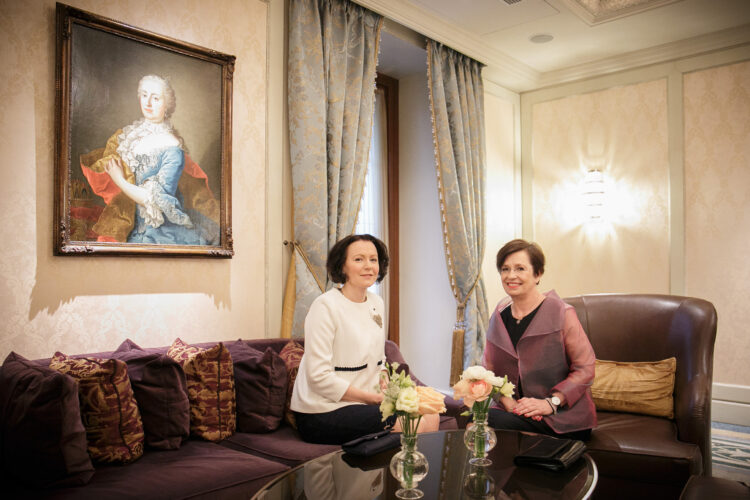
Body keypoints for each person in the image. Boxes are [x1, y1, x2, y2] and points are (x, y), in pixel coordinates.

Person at [291, 234, 439, 445]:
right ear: (342, 266)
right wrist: (373, 399)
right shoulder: (325, 306)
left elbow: (379, 360)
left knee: (430, 412)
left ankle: (414, 473)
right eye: (359, 259)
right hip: (322, 411)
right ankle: (409, 471)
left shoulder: (376, 302)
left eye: (373, 259)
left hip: (364, 404)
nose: (368, 266)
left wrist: (386, 384)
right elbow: (317, 377)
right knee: (410, 422)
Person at [80, 74, 219, 245]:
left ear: (167, 104)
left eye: (155, 98)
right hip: (131, 222)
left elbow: (156, 202)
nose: (148, 103)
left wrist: (119, 179)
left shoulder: (172, 146)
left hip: (162, 231)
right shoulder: (128, 136)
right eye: (144, 95)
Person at [483, 239, 596, 441]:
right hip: (515, 411)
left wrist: (550, 403)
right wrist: (508, 402)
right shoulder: (499, 315)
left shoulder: (562, 313)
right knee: (480, 420)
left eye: (520, 268)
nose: (511, 276)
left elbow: (585, 368)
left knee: (489, 422)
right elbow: (489, 370)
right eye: (505, 269)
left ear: (538, 274)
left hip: (562, 415)